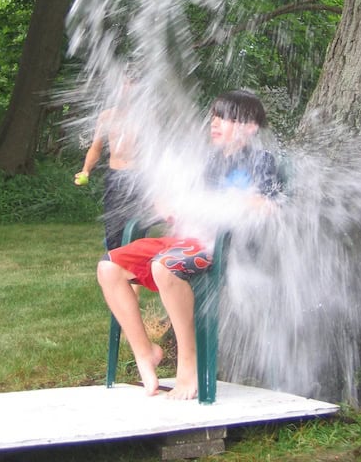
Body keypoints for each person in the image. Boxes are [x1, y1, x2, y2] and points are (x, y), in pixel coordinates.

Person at [96, 89, 282, 400]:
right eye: (214, 117)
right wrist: (167, 204)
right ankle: (146, 352)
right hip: (188, 242)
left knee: (165, 266)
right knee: (109, 268)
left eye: (225, 118)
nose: (215, 123)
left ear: (249, 128)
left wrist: (225, 202)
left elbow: (268, 206)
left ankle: (189, 362)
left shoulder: (259, 161)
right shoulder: (207, 160)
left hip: (225, 249)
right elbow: (174, 196)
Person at [75, 78, 140, 250]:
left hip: (139, 177)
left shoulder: (147, 116)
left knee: (136, 228)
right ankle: (114, 258)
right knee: (113, 228)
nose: (125, 89)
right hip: (115, 176)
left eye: (130, 84)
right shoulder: (106, 117)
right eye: (123, 85)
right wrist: (86, 170)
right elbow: (95, 148)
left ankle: (133, 261)